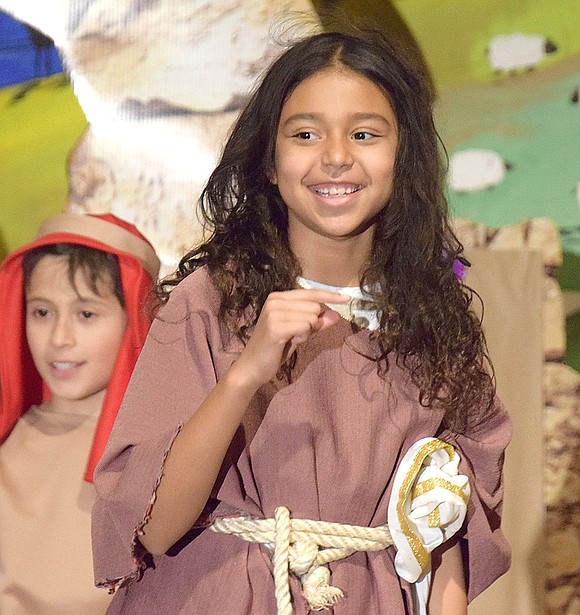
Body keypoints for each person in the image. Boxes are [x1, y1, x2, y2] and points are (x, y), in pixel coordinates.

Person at [92, 28, 511, 615]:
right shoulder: (208, 303)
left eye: (364, 134)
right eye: (306, 134)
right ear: (269, 160)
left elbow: (443, 533)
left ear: (404, 155)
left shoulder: (435, 321)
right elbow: (155, 530)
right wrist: (246, 372)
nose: (336, 156)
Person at [0, 212, 160, 615]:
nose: (59, 338)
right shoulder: (10, 438)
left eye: (86, 314)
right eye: (42, 312)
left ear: (136, 321)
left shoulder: (155, 452)